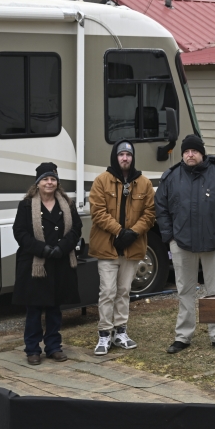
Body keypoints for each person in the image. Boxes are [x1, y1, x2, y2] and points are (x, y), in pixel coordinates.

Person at [156, 134, 215, 354]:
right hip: (181, 243)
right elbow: (161, 208)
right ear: (182, 154)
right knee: (184, 291)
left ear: (202, 153)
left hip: (214, 245)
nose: (190, 155)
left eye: (194, 151)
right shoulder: (171, 177)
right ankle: (183, 336)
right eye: (186, 151)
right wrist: (169, 237)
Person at [88, 140, 156, 355]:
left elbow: (150, 214)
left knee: (124, 291)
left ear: (132, 157)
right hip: (107, 248)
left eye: (128, 154)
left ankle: (121, 332)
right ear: (115, 157)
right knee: (107, 292)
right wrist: (119, 232)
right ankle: (104, 334)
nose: (125, 158)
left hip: (131, 249)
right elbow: (97, 212)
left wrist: (133, 233)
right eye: (121, 155)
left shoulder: (144, 183)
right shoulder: (101, 181)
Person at [12, 162, 82, 365]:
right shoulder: (26, 205)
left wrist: (62, 247)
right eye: (45, 179)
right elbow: (20, 233)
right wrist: (41, 249)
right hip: (35, 264)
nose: (49, 183)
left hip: (60, 262)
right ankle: (32, 349)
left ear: (57, 182)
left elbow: (76, 228)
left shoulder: (66, 204)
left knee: (54, 308)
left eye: (53, 179)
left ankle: (53, 347)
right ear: (38, 183)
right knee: (34, 309)